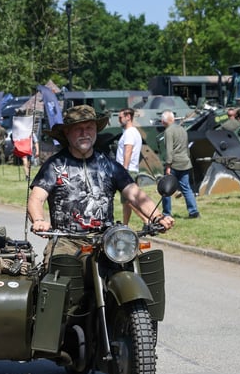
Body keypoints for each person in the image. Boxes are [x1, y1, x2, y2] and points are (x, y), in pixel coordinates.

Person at [28, 105, 174, 261]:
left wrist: (158, 217)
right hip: (66, 240)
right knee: (60, 264)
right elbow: (36, 198)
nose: (84, 133)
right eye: (78, 129)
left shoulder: (109, 165)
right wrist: (39, 220)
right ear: (67, 132)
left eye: (89, 128)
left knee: (140, 262)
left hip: (106, 240)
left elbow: (135, 194)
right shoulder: (54, 166)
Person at [160, 110, 199, 219]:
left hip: (174, 164)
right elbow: (186, 147)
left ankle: (166, 213)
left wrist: (168, 165)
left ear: (163, 121)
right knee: (186, 188)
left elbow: (169, 150)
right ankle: (193, 212)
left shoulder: (168, 131)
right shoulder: (182, 129)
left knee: (166, 189)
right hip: (185, 162)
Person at [116, 108, 143, 225]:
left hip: (128, 170)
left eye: (120, 117)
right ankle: (125, 224)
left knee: (129, 201)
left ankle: (147, 220)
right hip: (132, 169)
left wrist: (124, 169)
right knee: (127, 201)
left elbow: (128, 151)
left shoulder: (129, 133)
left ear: (128, 117)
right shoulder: (133, 132)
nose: (119, 120)